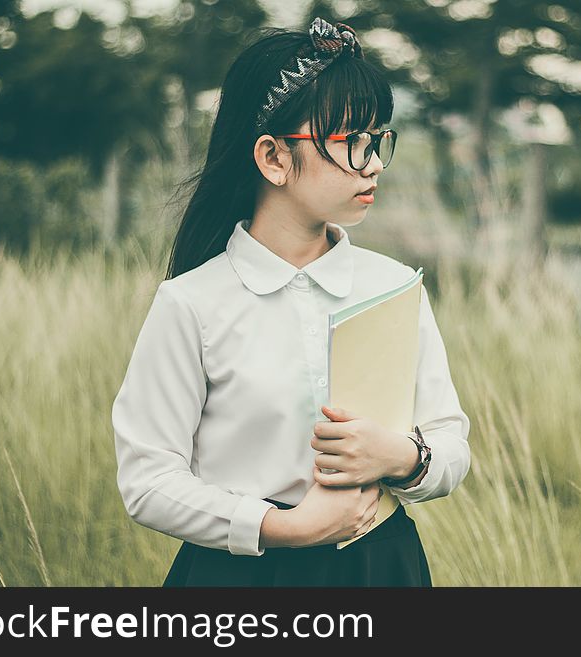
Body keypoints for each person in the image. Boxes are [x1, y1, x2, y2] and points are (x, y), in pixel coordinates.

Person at [111, 16, 471, 587]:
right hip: (239, 578)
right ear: (274, 158)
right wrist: (286, 529)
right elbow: (148, 482)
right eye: (350, 142)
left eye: (377, 140)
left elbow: (452, 444)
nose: (373, 162)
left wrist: (400, 457)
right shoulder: (191, 303)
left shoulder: (396, 287)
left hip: (382, 567)